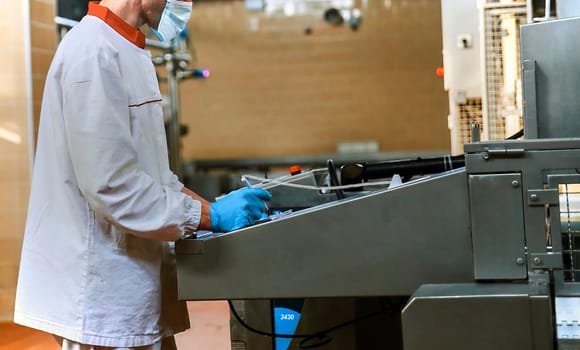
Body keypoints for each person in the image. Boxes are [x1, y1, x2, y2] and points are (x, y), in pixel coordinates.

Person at [13, 0, 271, 349]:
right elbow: (113, 188)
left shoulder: (127, 49)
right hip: (102, 293)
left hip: (130, 288)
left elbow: (153, 178)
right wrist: (211, 216)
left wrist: (210, 207)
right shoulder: (93, 53)